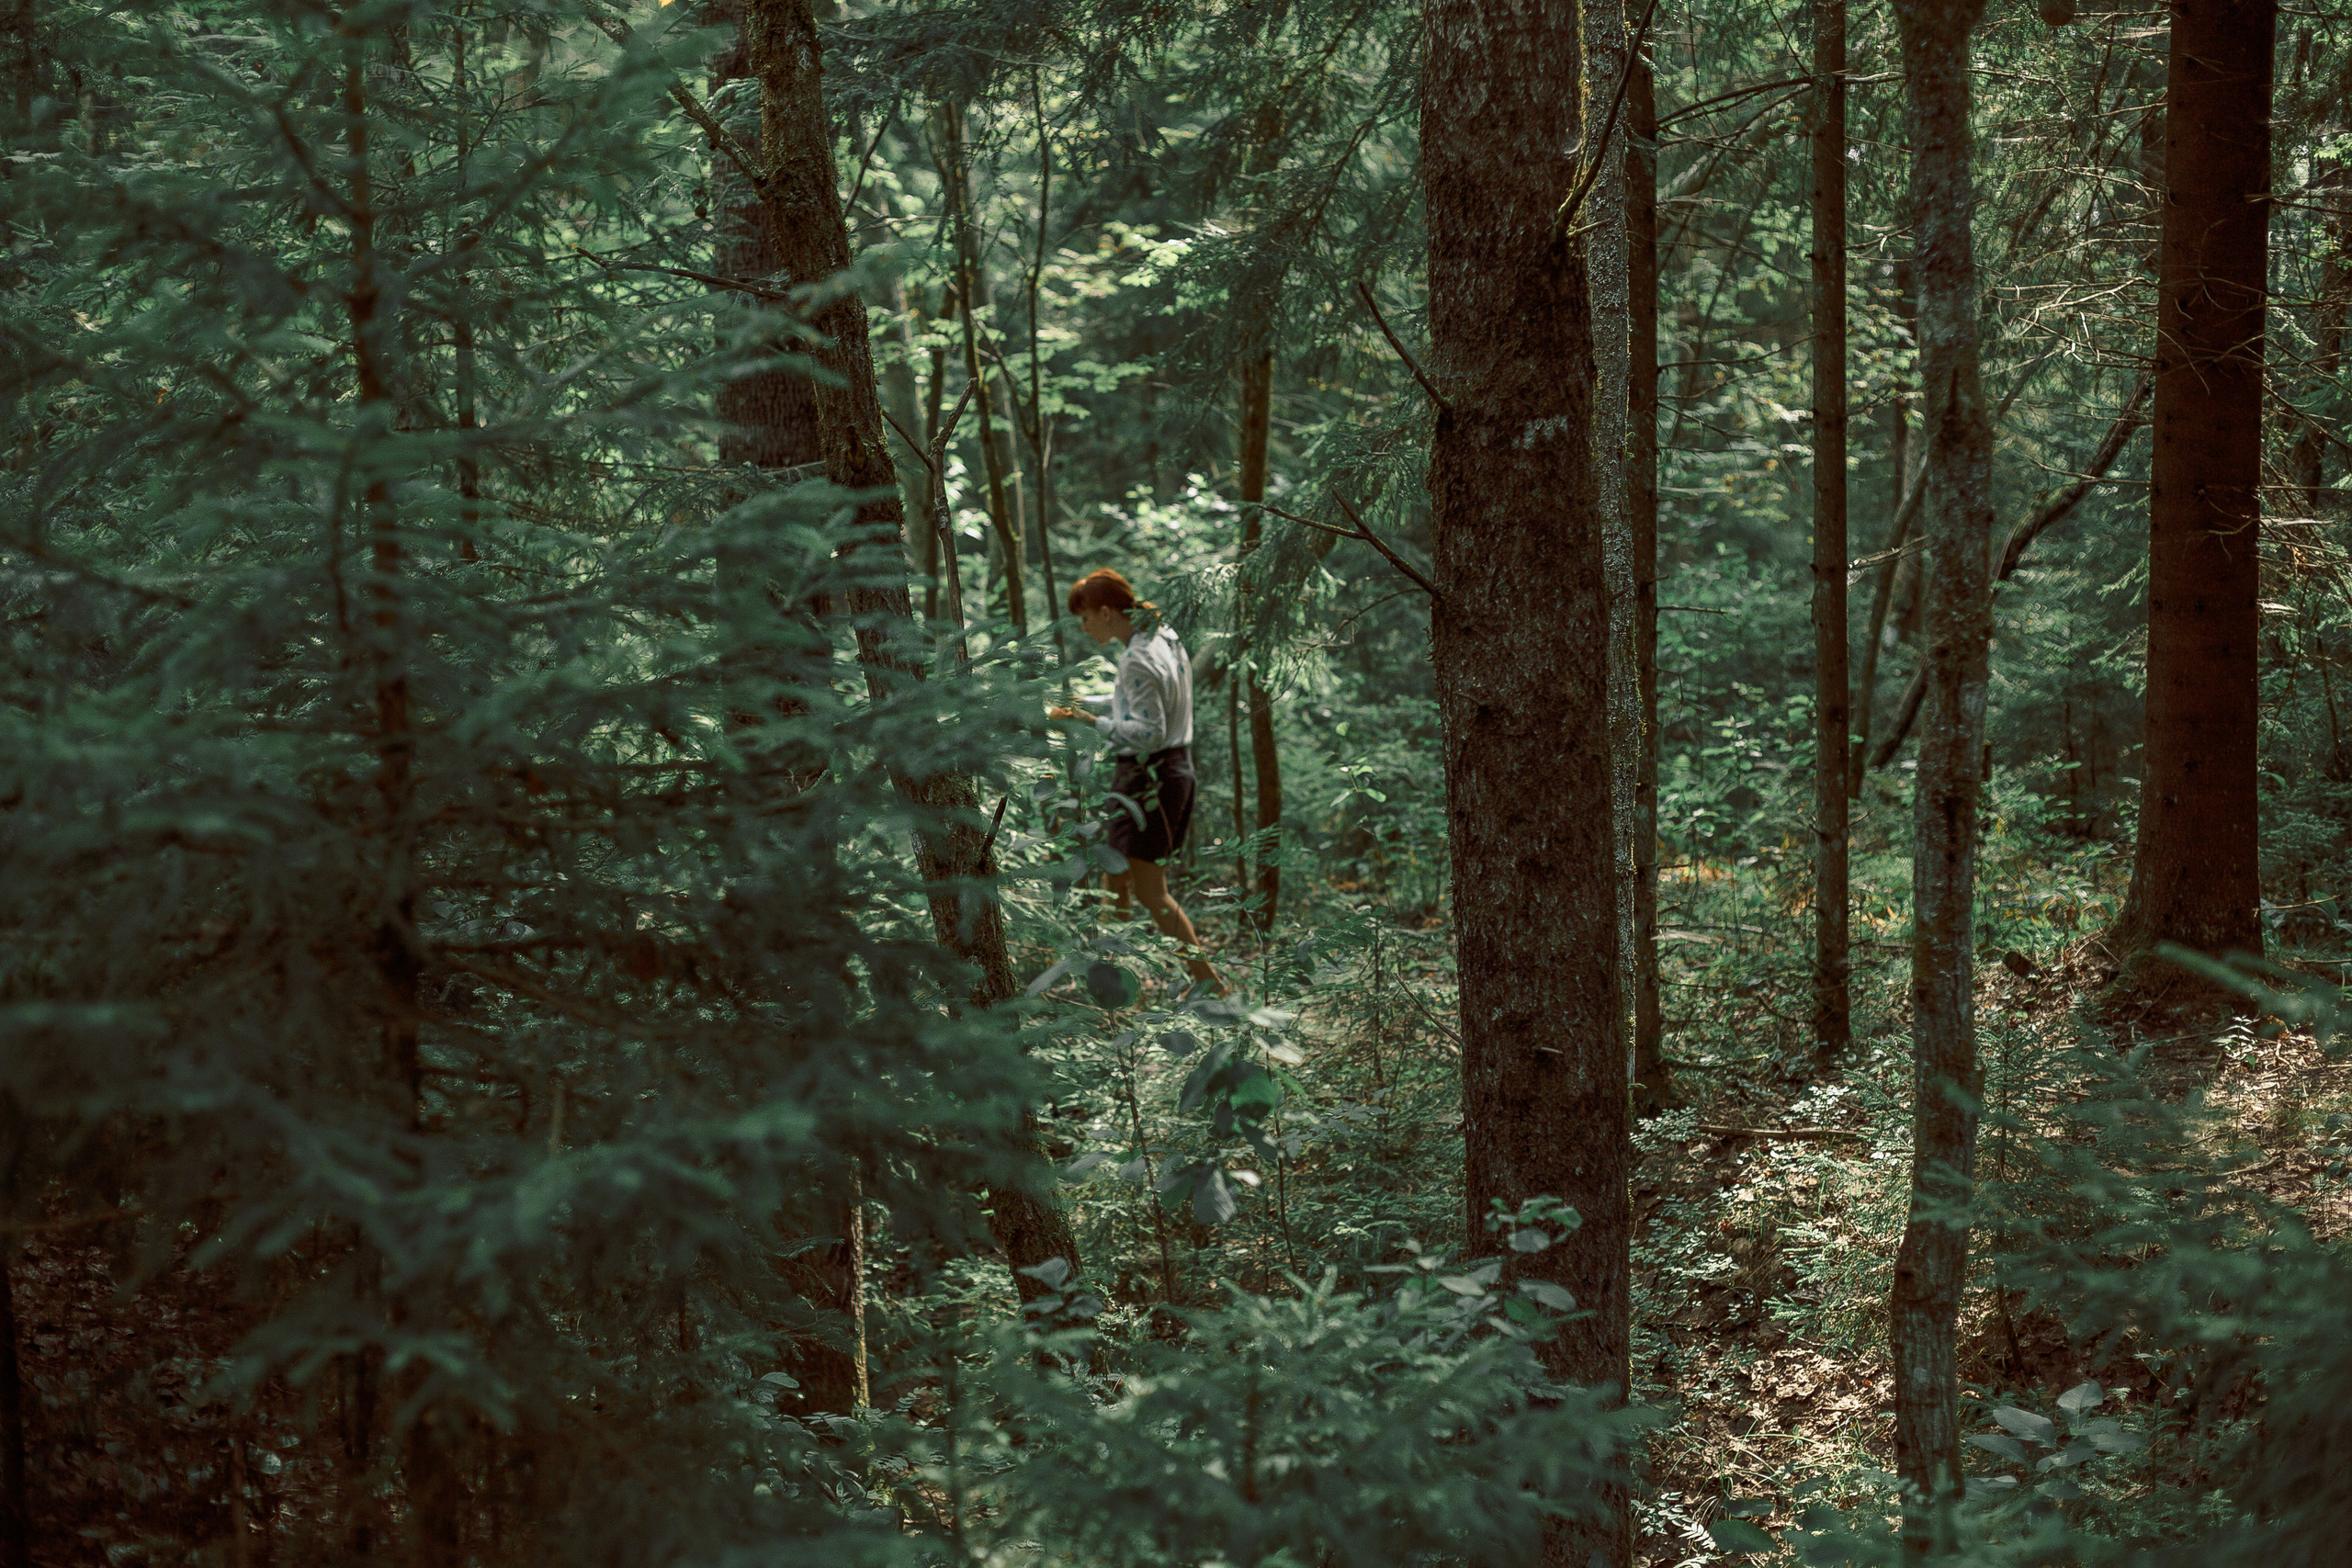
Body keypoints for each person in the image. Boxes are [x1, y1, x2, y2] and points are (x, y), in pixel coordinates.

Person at [1046, 569, 1224, 992]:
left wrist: (1092, 720)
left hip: (1153, 776)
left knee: (1150, 892)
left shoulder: (1135, 657)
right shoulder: (1162, 636)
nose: (1084, 627)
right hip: (1167, 770)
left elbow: (1148, 732)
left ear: (1107, 612)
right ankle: (1114, 980)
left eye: (1086, 617)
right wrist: (1082, 703)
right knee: (1115, 875)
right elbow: (1138, 700)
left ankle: (1209, 984)